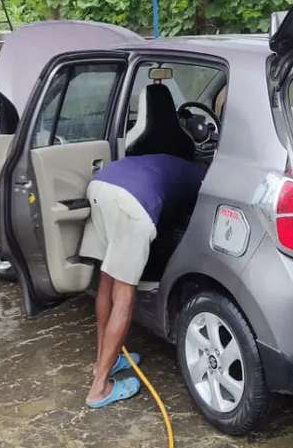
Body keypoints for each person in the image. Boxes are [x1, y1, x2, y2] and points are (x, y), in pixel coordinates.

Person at [79, 152, 206, 408]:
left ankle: (104, 361)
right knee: (125, 293)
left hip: (100, 186)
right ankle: (100, 388)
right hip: (131, 204)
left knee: (107, 278)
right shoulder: (204, 177)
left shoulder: (169, 161)